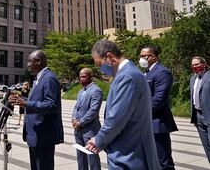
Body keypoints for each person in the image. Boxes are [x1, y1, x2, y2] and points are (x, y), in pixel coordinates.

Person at [86, 40, 160, 170]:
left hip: (130, 154)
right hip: (129, 150)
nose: (100, 69)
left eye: (100, 64)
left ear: (109, 57)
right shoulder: (127, 74)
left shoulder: (127, 77)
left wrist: (99, 140)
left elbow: (116, 118)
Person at [9, 50, 64, 170]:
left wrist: (27, 103)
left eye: (30, 61)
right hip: (35, 135)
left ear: (38, 61)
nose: (27, 64)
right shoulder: (38, 78)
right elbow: (37, 100)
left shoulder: (49, 78)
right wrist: (20, 99)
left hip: (43, 136)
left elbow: (51, 105)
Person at [140, 46, 178, 170]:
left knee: (163, 162)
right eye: (140, 56)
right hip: (146, 124)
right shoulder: (146, 73)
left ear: (154, 57)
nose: (141, 58)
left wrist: (140, 113)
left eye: (144, 56)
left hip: (157, 124)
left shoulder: (162, 72)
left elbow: (158, 99)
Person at [72, 68, 102, 170]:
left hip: (90, 131)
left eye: (84, 76)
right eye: (80, 77)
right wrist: (73, 119)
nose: (81, 79)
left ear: (90, 77)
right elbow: (77, 106)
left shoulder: (96, 90)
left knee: (92, 157)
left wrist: (80, 122)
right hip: (78, 130)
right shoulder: (81, 91)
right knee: (80, 157)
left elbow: (93, 111)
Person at [190, 56, 210, 162]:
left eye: (197, 64)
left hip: (208, 115)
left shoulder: (208, 76)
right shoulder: (193, 78)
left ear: (204, 64)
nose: (195, 67)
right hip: (198, 116)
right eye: (193, 65)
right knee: (206, 146)